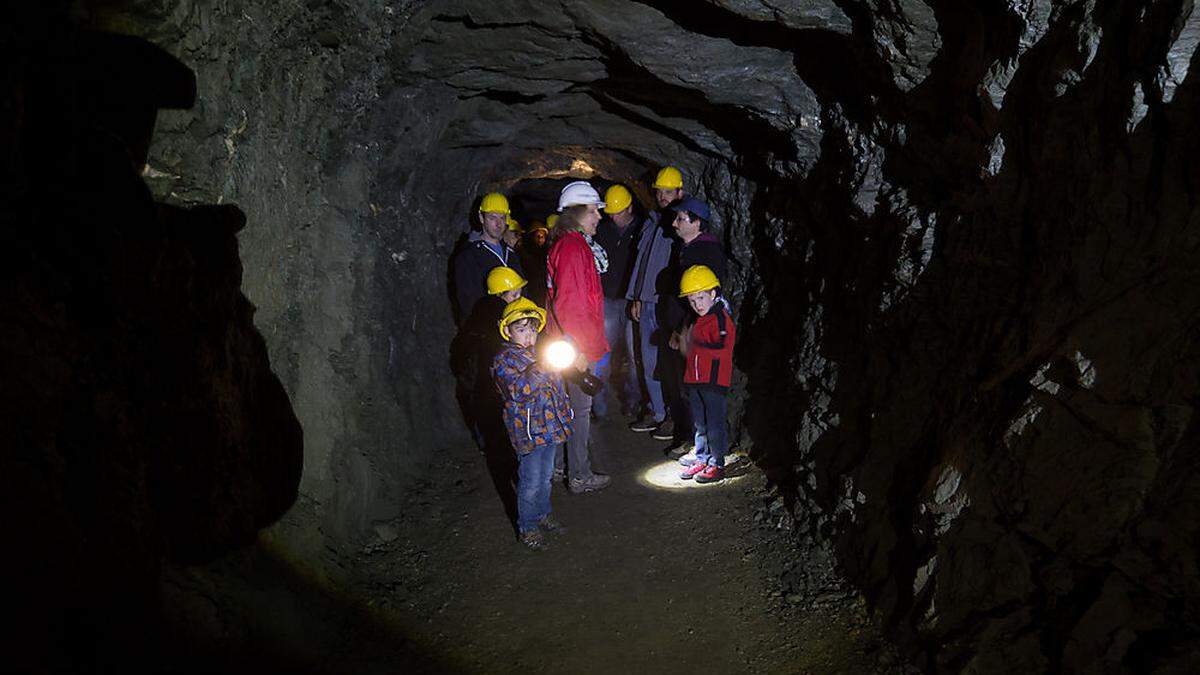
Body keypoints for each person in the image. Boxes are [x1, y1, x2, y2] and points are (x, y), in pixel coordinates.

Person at [545, 180, 612, 494]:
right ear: (577, 213)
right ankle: (580, 475)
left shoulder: (568, 244)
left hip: (564, 342)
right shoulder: (573, 247)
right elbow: (570, 305)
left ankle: (559, 467)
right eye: (594, 211)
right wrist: (579, 350)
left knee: (563, 408)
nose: (599, 216)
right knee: (578, 412)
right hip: (574, 346)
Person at [492, 298, 572, 550]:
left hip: (549, 429)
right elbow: (517, 391)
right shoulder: (503, 361)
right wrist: (540, 368)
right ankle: (527, 527)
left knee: (546, 477)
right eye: (521, 329)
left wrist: (564, 414)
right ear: (508, 330)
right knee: (529, 482)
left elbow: (557, 389)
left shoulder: (542, 354)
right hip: (527, 433)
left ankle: (543, 514)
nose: (528, 335)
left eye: (531, 328)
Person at [451, 193, 525, 452]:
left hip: (513, 334)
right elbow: (469, 305)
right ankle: (491, 444)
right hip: (486, 339)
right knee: (485, 391)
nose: (498, 223)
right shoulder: (468, 258)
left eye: (502, 218)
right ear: (481, 218)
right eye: (492, 217)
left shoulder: (510, 254)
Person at [662, 196, 727, 452]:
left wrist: (686, 329)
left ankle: (701, 446)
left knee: (697, 389)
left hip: (695, 331)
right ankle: (695, 442)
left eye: (681, 219)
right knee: (686, 386)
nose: (675, 223)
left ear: (697, 222)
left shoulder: (705, 251)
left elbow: (704, 299)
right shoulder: (689, 248)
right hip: (684, 327)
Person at [626, 167, 685, 440]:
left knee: (669, 364)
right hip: (647, 301)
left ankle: (674, 415)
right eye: (659, 191)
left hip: (666, 305)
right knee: (648, 362)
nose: (662, 196)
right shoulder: (651, 221)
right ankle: (657, 411)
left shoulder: (681, 222)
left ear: (679, 192)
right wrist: (636, 295)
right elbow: (642, 264)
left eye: (667, 191)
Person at [674, 265, 736, 484]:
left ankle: (717, 463)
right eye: (692, 301)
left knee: (714, 423)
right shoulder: (698, 319)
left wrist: (692, 343)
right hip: (696, 380)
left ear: (713, 293)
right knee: (700, 422)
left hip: (713, 381)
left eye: (700, 298)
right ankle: (702, 457)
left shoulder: (720, 319)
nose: (697, 304)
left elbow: (722, 346)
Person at [592, 183, 642, 420]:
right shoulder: (603, 231)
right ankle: (598, 404)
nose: (613, 216)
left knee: (635, 356)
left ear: (630, 207)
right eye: (610, 212)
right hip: (608, 301)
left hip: (633, 301)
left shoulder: (643, 229)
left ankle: (633, 402)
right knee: (601, 352)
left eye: (618, 212)